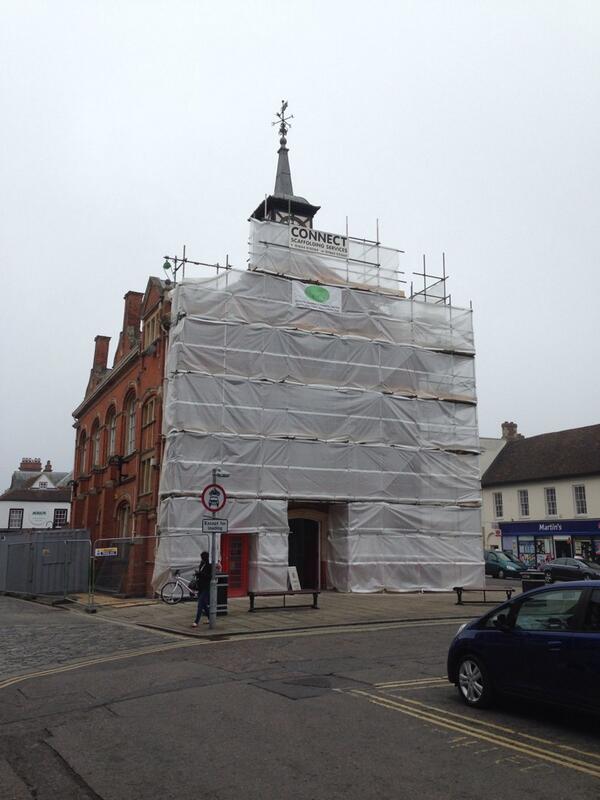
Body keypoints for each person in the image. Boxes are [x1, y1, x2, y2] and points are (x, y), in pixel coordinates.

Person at [192, 551, 212, 627]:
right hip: (200, 586)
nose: (201, 559)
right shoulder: (202, 564)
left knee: (200, 604)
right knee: (203, 605)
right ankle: (210, 618)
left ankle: (196, 621)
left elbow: (209, 577)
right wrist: (197, 574)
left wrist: (200, 574)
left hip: (206, 587)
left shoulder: (209, 565)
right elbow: (200, 573)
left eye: (203, 557)